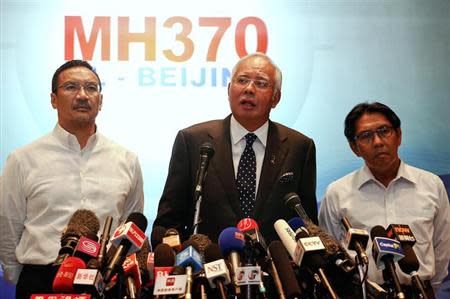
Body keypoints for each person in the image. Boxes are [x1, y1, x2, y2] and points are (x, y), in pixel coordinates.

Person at [0, 60, 144, 297]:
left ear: (101, 100)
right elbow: (7, 229)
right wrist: (22, 278)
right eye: (71, 87)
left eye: (91, 88)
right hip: (41, 281)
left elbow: (129, 227)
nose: (82, 95)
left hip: (105, 283)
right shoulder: (22, 159)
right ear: (53, 99)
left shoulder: (126, 159)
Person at [153, 53, 318, 243]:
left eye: (261, 83)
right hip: (209, 267)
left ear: (276, 98)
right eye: (242, 80)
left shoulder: (299, 147)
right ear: (229, 89)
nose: (249, 89)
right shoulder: (192, 141)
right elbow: (168, 223)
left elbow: (309, 225)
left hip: (276, 269)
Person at [319, 102, 450, 296]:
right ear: (355, 147)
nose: (378, 141)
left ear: (398, 136)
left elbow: (441, 248)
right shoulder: (337, 193)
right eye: (366, 136)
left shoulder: (431, 185)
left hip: (420, 291)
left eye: (384, 131)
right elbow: (331, 257)